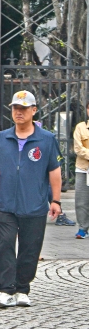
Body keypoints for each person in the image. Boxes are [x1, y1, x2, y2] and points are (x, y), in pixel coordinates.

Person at [0, 91, 62, 308]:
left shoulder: (46, 139)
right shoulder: (1, 138)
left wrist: (56, 200)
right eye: (16, 108)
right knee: (5, 244)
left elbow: (54, 171)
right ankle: (5, 290)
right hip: (6, 203)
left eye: (24, 108)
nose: (19, 112)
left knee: (30, 248)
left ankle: (22, 289)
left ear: (33, 110)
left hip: (34, 204)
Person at [75, 102, 89, 239]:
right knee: (81, 200)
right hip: (83, 168)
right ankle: (83, 228)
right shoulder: (81, 127)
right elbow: (78, 148)